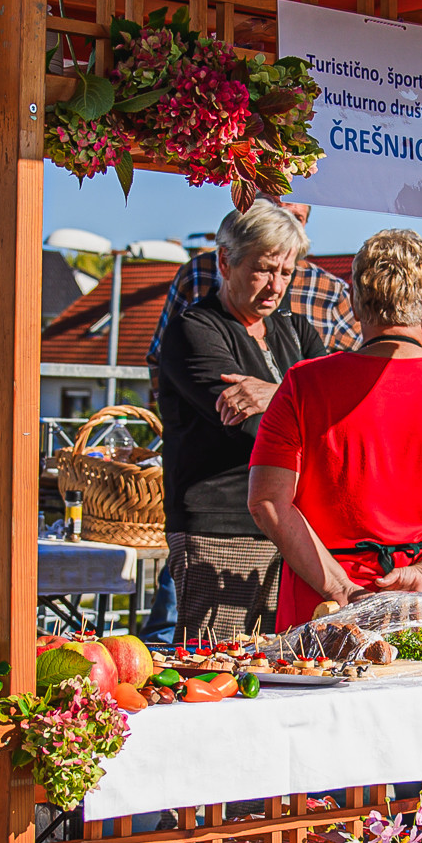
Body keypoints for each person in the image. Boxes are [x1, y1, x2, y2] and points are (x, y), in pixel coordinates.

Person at [247, 229, 422, 628]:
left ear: (356, 307)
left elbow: (267, 502)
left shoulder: (303, 383)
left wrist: (342, 590)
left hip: (323, 609)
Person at [155, 203, 317, 641]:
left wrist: (274, 394)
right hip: (221, 530)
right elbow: (250, 426)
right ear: (225, 261)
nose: (276, 286)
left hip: (295, 527)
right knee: (216, 670)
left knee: (292, 675)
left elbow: (335, 413)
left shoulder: (297, 331)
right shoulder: (194, 330)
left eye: (287, 273)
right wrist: (299, 395)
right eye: (265, 270)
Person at [143, 190, 354, 364]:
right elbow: (160, 358)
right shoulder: (199, 273)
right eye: (275, 212)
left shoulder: (329, 289)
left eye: (296, 218)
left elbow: (357, 366)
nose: (283, 226)